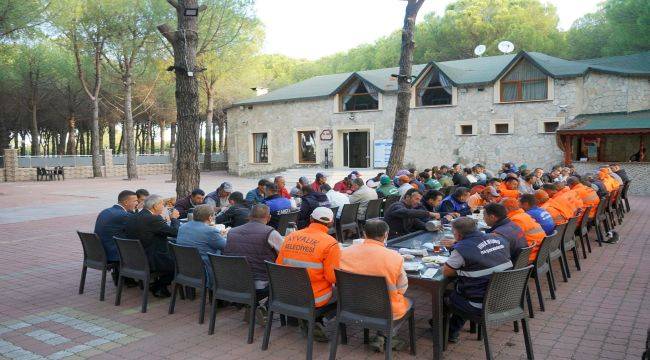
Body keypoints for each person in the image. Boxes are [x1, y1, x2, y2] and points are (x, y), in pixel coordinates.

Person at [339, 219, 411, 351]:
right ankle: (385, 334)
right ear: (386, 235)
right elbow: (402, 288)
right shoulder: (395, 257)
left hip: (351, 306)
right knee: (402, 300)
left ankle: (382, 335)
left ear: (364, 234)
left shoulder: (345, 252)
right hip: (385, 310)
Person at [441, 217, 512, 343]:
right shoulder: (499, 238)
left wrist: (457, 249)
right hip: (504, 296)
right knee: (463, 289)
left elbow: (446, 272)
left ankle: (447, 331)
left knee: (447, 295)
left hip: (480, 303)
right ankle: (450, 328)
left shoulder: (462, 248)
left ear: (457, 234)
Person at [276, 207, 340, 339]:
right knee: (343, 294)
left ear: (311, 219)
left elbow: (278, 266)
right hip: (314, 297)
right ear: (330, 223)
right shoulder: (331, 243)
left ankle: (305, 320)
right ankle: (317, 320)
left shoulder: (291, 236)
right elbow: (332, 277)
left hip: (287, 293)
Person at [125, 195, 180, 297]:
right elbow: (175, 232)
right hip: (150, 259)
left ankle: (155, 285)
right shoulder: (152, 219)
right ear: (155, 206)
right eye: (162, 205)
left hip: (134, 257)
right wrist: (174, 219)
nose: (163, 207)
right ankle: (158, 286)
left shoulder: (133, 216)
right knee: (180, 265)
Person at [224, 204, 284, 294]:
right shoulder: (270, 233)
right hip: (260, 282)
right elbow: (284, 254)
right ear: (269, 217)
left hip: (235, 279)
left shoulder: (231, 232)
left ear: (249, 216)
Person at [175, 204, 226, 288]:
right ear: (210, 217)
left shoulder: (183, 227)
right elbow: (225, 246)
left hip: (185, 267)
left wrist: (217, 235)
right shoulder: (210, 231)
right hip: (205, 269)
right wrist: (222, 236)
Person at [94, 190, 138, 284]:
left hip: (100, 250)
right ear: (126, 202)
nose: (137, 203)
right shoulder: (123, 215)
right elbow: (137, 224)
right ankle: (134, 276)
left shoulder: (106, 211)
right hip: (112, 253)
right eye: (135, 201)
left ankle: (123, 277)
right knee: (143, 246)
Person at [501, 198, 544, 263]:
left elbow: (511, 242)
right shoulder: (524, 215)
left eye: (501, 209)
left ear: (509, 208)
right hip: (540, 251)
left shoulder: (515, 220)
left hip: (529, 256)